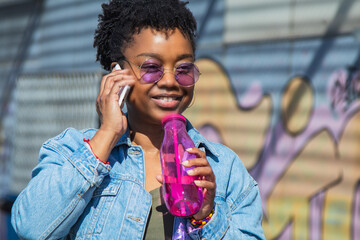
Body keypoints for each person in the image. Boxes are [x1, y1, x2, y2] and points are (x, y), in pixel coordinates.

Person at [11, 0, 265, 239]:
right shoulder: (71, 150)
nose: (169, 81)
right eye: (151, 68)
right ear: (118, 74)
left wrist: (207, 215)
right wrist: (108, 134)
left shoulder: (224, 168)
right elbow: (31, 228)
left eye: (183, 69)